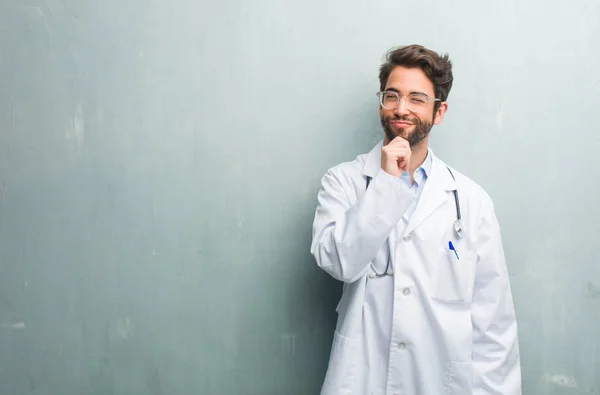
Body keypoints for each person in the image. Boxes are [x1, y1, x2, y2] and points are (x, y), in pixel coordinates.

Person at [310, 44, 521, 395]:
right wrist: (386, 185)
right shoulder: (343, 182)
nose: (401, 108)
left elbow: (493, 322)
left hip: (439, 382)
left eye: (416, 98)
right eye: (392, 95)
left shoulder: (470, 201)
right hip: (364, 379)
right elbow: (339, 262)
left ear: (439, 112)